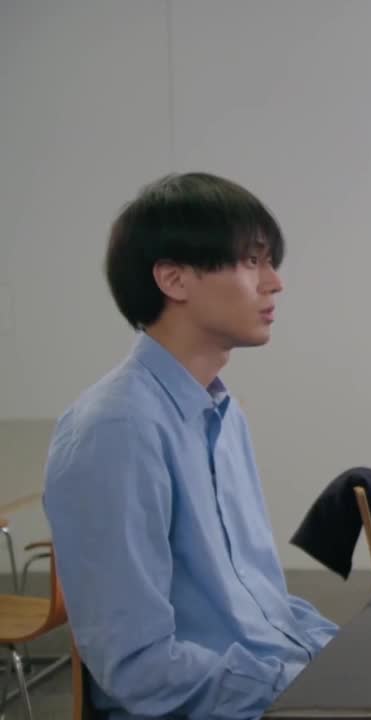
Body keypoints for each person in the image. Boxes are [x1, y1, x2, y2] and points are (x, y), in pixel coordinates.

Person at [44, 173, 338, 719]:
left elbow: (262, 607)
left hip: (262, 686)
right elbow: (140, 669)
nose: (275, 282)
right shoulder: (116, 430)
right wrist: (303, 690)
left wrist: (343, 655)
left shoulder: (222, 413)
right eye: (251, 261)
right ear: (174, 279)